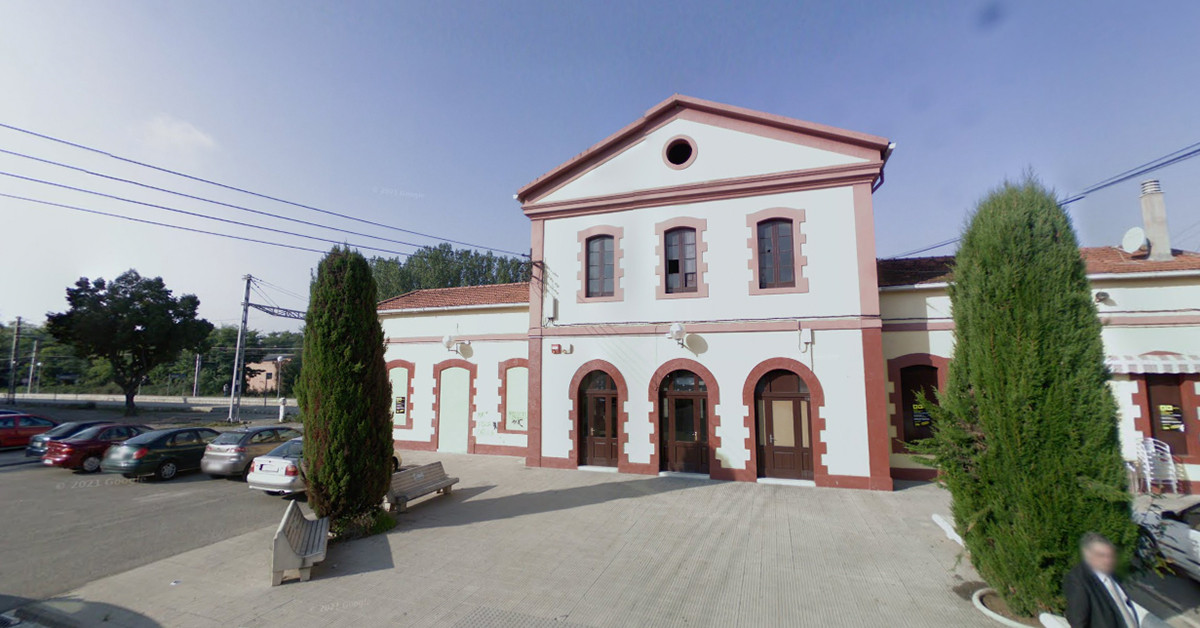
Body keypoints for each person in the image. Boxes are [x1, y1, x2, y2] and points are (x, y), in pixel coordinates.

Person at [1064, 532, 1142, 628]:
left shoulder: (1111, 574)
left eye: (1109, 555)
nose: (1107, 560)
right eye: (1101, 555)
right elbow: (1078, 622)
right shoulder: (1078, 580)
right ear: (1089, 555)